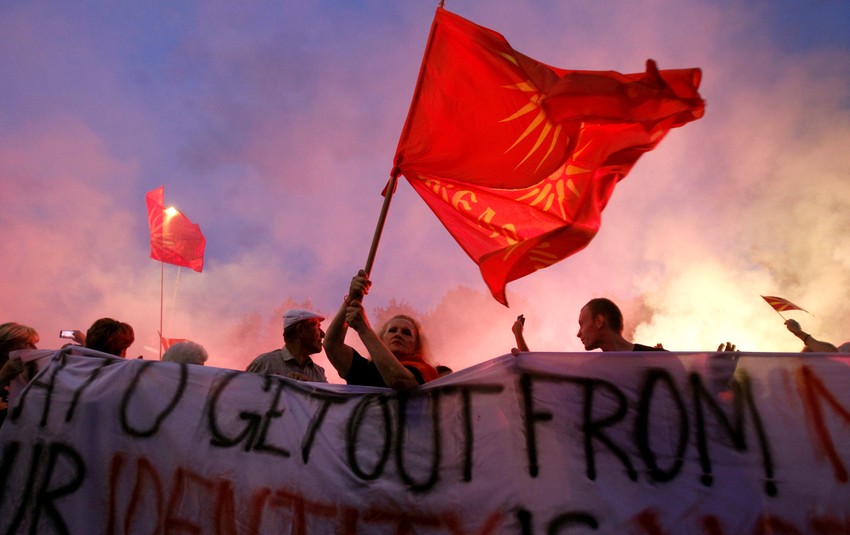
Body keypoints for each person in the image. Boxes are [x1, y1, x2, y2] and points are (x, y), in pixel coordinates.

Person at [324, 270, 438, 389]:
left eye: (406, 333)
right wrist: (352, 298)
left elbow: (399, 381)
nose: (398, 334)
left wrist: (364, 329)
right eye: (392, 330)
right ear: (381, 339)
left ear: (417, 346)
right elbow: (332, 345)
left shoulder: (424, 371)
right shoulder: (366, 370)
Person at [246, 309, 328, 382]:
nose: (323, 334)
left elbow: (327, 399)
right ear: (301, 330)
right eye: (317, 326)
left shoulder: (319, 373)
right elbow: (241, 395)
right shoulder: (264, 364)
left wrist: (310, 388)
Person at [0, 322, 40, 426]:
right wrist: (3, 377)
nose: (35, 349)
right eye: (28, 343)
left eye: (34, 344)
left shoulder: (27, 377)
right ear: (6, 346)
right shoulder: (6, 375)